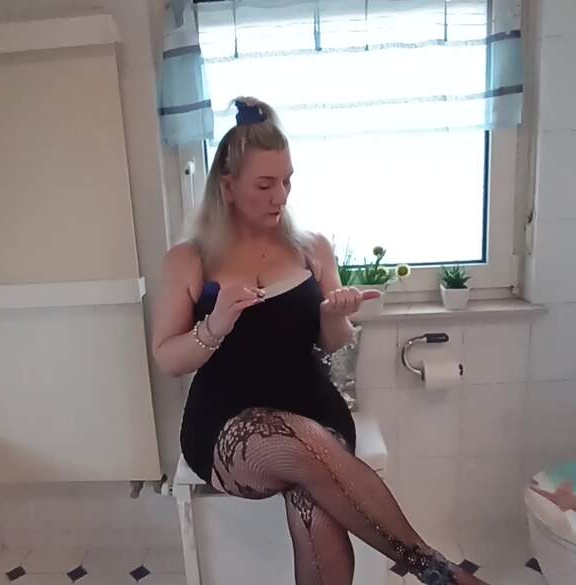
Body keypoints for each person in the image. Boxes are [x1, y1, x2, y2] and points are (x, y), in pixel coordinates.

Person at [152, 97, 487, 585]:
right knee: (304, 446)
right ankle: (435, 570)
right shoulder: (190, 260)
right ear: (227, 187)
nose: (280, 196)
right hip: (226, 426)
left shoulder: (311, 248)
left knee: (315, 498)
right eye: (265, 184)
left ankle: (435, 572)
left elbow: (332, 343)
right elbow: (167, 358)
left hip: (315, 409)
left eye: (287, 181)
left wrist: (334, 316)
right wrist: (214, 326)